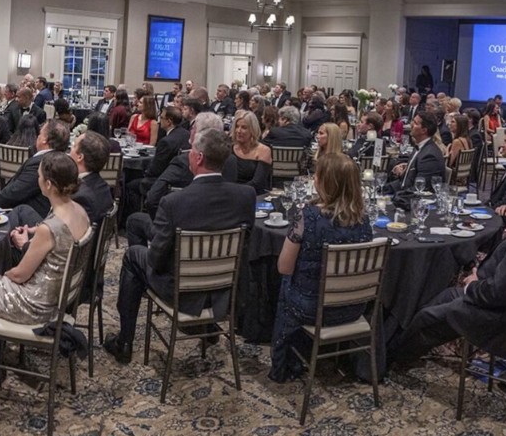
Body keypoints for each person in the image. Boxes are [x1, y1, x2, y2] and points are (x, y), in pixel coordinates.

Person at [389, 162, 506, 369]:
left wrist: (473, 284)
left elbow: (498, 293)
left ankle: (393, 360)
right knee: (444, 296)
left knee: (427, 318)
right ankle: (401, 345)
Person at [104, 129, 257, 363]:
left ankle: (124, 341)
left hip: (181, 290)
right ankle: (204, 326)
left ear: (198, 158)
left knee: (134, 255)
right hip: (225, 290)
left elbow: (155, 259)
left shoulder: (174, 202)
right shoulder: (246, 196)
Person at [0, 153, 92, 389]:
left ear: (49, 184)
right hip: (56, 298)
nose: (38, 179)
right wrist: (33, 235)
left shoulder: (48, 229)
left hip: (33, 305)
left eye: (39, 176)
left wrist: (2, 276)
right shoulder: (79, 211)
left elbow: (20, 275)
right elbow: (60, 246)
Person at [268, 154, 375, 383]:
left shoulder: (307, 217)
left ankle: (283, 363)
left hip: (311, 308)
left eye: (317, 175)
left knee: (286, 281)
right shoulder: (364, 220)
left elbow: (284, 267)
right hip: (354, 307)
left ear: (326, 182)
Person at [0, 120, 71, 223]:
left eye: (40, 134)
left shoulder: (43, 162)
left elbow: (15, 193)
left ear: (44, 140)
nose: (37, 136)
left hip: (29, 219)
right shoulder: (61, 159)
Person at [386, 111, 446, 192]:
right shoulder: (419, 148)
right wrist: (382, 189)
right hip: (404, 193)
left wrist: (394, 198)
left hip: (415, 200)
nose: (411, 124)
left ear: (424, 130)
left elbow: (419, 190)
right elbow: (404, 182)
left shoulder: (429, 156)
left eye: (415, 123)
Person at [228, 113, 273, 193]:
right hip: (231, 194)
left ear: (252, 130)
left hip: (254, 194)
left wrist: (235, 192)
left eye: (244, 127)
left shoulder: (264, 150)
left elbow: (258, 183)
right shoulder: (229, 149)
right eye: (237, 126)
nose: (238, 131)